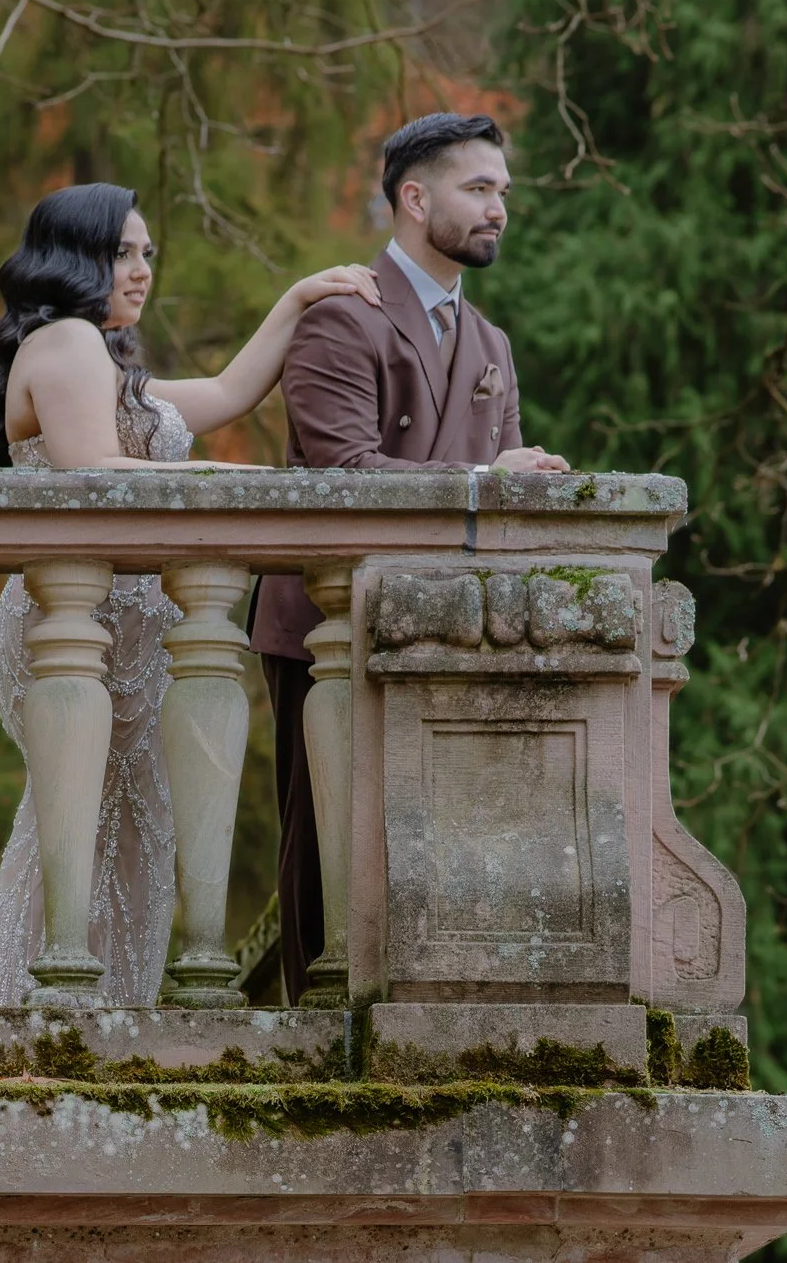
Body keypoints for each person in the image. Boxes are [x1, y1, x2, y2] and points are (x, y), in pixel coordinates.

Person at [0, 181, 380, 1007]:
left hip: (127, 632)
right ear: (75, 256)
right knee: (82, 829)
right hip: (80, 630)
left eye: (147, 253)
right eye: (122, 251)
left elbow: (226, 392)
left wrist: (299, 298)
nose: (142, 268)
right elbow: (91, 470)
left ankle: (100, 1010)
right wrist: (223, 478)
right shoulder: (67, 341)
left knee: (131, 835)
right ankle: (26, 1011)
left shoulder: (102, 358)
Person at [248, 112, 570, 1003]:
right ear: (415, 199)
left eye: (503, 190)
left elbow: (501, 476)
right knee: (325, 844)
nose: (499, 208)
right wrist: (486, 476)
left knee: (436, 842)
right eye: (479, 188)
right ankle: (318, 1029)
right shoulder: (339, 320)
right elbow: (344, 475)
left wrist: (525, 476)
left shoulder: (492, 343)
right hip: (329, 627)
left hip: (447, 628)